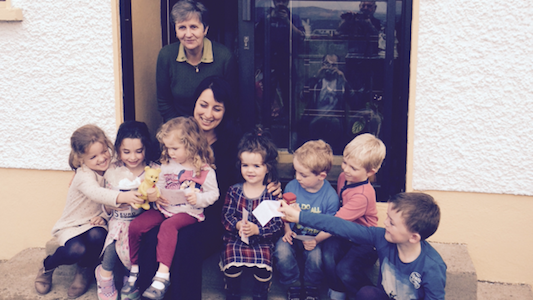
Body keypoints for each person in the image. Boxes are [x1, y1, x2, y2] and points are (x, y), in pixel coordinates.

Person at [136, 76, 281, 300]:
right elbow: (152, 170)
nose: (208, 114)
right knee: (152, 236)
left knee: (186, 243)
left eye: (217, 108)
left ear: (226, 111)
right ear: (194, 104)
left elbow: (256, 167)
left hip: (212, 216)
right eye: (203, 105)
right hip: (170, 209)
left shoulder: (234, 142)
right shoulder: (177, 134)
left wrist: (271, 183)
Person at [34, 125, 143, 298]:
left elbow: (105, 200)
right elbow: (96, 193)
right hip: (73, 223)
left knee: (98, 236)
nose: (101, 159)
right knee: (75, 250)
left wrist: (102, 216)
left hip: (95, 220)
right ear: (81, 159)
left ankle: (84, 270)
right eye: (93, 157)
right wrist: (126, 197)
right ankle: (48, 266)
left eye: (104, 151)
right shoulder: (84, 175)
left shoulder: (112, 165)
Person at [279, 192, 446, 300]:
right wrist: (299, 216)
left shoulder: (432, 266)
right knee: (367, 293)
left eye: (392, 223)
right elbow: (340, 226)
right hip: (384, 296)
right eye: (387, 217)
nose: (385, 223)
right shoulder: (382, 238)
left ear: (413, 237)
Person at [123, 116, 219, 300]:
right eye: (167, 147)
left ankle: (162, 276)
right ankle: (134, 268)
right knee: (136, 226)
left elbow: (213, 195)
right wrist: (154, 194)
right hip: (165, 209)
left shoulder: (205, 170)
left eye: (175, 148)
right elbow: (157, 184)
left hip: (189, 212)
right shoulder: (167, 165)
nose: (170, 152)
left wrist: (197, 198)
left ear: (191, 145)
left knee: (168, 228)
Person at [94, 121, 159, 300]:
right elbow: (103, 197)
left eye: (139, 151)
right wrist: (106, 211)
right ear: (118, 149)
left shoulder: (153, 170)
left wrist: (154, 197)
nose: (133, 157)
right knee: (117, 231)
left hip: (141, 220)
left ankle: (131, 277)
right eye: (126, 152)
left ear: (146, 147)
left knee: (134, 237)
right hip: (118, 218)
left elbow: (159, 200)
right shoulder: (113, 169)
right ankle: (105, 274)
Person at [220, 126, 284, 300]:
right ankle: (232, 290)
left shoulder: (271, 194)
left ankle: (260, 292)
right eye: (245, 165)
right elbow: (226, 216)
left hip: (261, 241)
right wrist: (237, 224)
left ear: (267, 168)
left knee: (263, 266)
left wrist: (258, 230)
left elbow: (277, 225)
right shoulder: (234, 191)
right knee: (231, 261)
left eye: (257, 166)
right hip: (236, 239)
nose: (250, 170)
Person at [322, 133, 386, 300]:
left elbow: (335, 223)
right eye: (344, 163)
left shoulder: (363, 195)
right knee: (328, 252)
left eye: (353, 168)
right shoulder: (345, 177)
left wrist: (314, 240)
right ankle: (337, 291)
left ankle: (365, 294)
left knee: (345, 269)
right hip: (345, 233)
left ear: (371, 171)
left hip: (364, 242)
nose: (345, 169)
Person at [273, 140, 339, 300]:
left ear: (321, 176)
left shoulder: (330, 197)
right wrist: (287, 230)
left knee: (316, 258)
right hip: (293, 233)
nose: (297, 177)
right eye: (296, 172)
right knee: (281, 252)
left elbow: (331, 226)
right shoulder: (292, 187)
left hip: (314, 238)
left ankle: (312, 286)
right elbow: (284, 212)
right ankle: (292, 283)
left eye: (303, 174)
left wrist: (316, 240)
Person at [156, 0, 238, 122]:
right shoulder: (166, 56)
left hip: (214, 126)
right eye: (182, 27)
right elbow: (164, 102)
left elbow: (231, 103)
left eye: (193, 27)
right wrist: (184, 131)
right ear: (176, 31)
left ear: (205, 29)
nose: (188, 34)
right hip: (180, 129)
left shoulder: (224, 57)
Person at [255, 0, 305, 120]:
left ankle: (289, 125)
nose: (280, 4)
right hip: (268, 62)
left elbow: (301, 37)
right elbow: (253, 35)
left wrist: (287, 22)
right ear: (273, 2)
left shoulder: (293, 17)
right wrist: (267, 19)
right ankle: (265, 125)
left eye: (284, 1)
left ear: (288, 2)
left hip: (287, 62)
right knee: (266, 98)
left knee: (289, 98)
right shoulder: (265, 15)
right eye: (278, 1)